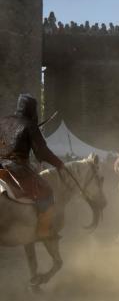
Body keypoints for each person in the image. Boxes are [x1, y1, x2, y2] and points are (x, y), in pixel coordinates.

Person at [0, 94, 65, 239]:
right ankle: (43, 231)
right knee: (47, 193)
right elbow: (42, 153)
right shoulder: (29, 125)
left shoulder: (3, 121)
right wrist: (58, 163)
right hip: (16, 168)